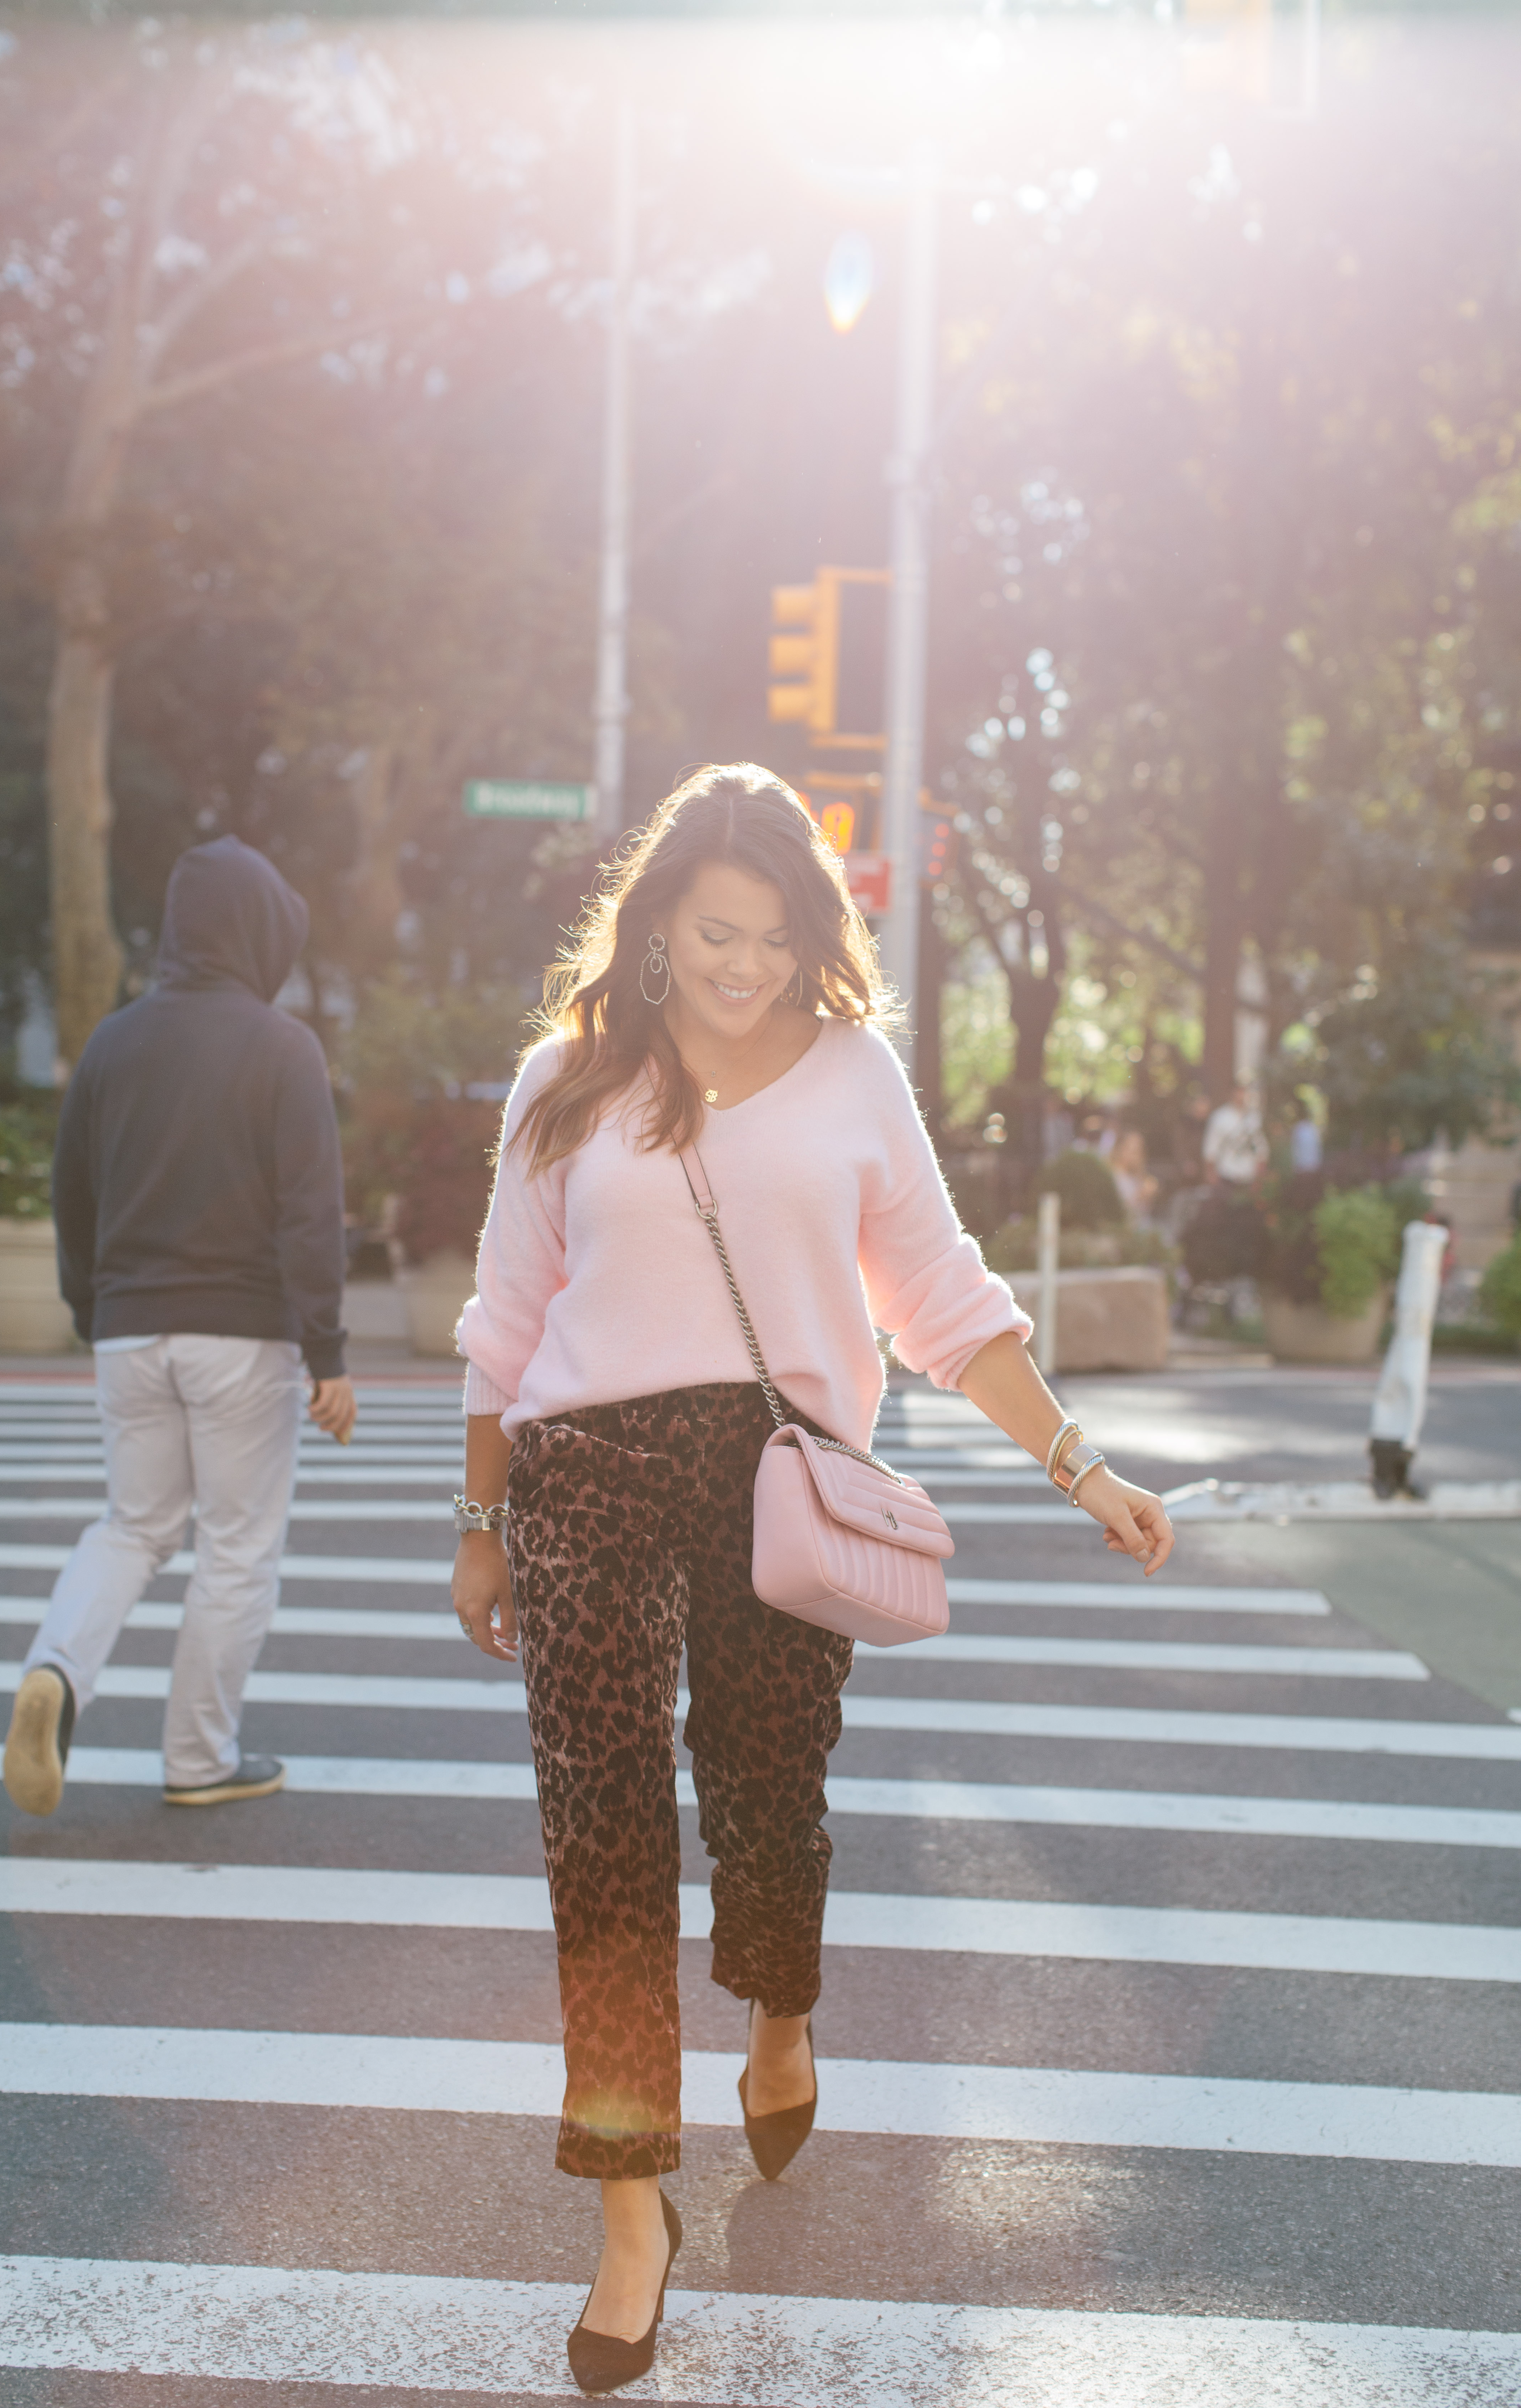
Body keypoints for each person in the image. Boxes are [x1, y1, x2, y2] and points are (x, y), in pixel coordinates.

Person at [452, 765, 1176, 2397]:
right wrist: (480, 1517)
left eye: (779, 941)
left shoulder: (855, 1075)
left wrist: (1082, 1467)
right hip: (592, 1479)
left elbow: (943, 1298)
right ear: (655, 928)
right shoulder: (569, 1079)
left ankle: (779, 2011)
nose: (745, 968)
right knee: (608, 1834)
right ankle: (631, 2213)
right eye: (717, 934)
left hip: (786, 1483)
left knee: (770, 1800)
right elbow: (506, 1320)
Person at [2, 836, 357, 1819]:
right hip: (241, 1331)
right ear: (258, 931)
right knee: (236, 1547)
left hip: (129, 1329)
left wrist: (93, 1310)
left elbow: (71, 1194)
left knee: (134, 1526)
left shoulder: (113, 1042)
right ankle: (200, 1757)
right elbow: (308, 1211)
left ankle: (57, 1673)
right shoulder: (282, 1047)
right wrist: (326, 1351)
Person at [1369, 1217, 1450, 1499]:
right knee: (1398, 1388)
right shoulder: (1418, 1251)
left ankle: (1398, 1471)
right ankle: (1385, 1473)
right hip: (1409, 1338)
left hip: (1415, 1338)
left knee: (1409, 1390)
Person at [1202, 1076, 1269, 1187]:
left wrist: (1260, 1177)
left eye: (1245, 1091)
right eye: (1239, 1091)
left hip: (1249, 1178)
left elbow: (1261, 1149)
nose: (1242, 1096)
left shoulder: (1254, 1118)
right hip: (1226, 1177)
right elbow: (1211, 1149)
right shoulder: (1220, 1117)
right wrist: (1211, 1174)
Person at [1109, 1128, 1159, 1222]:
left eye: (1140, 1151)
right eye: (1133, 1151)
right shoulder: (1113, 1177)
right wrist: (1140, 1196)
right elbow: (1116, 1210)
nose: (1137, 1156)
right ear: (1121, 1150)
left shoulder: (1138, 1177)